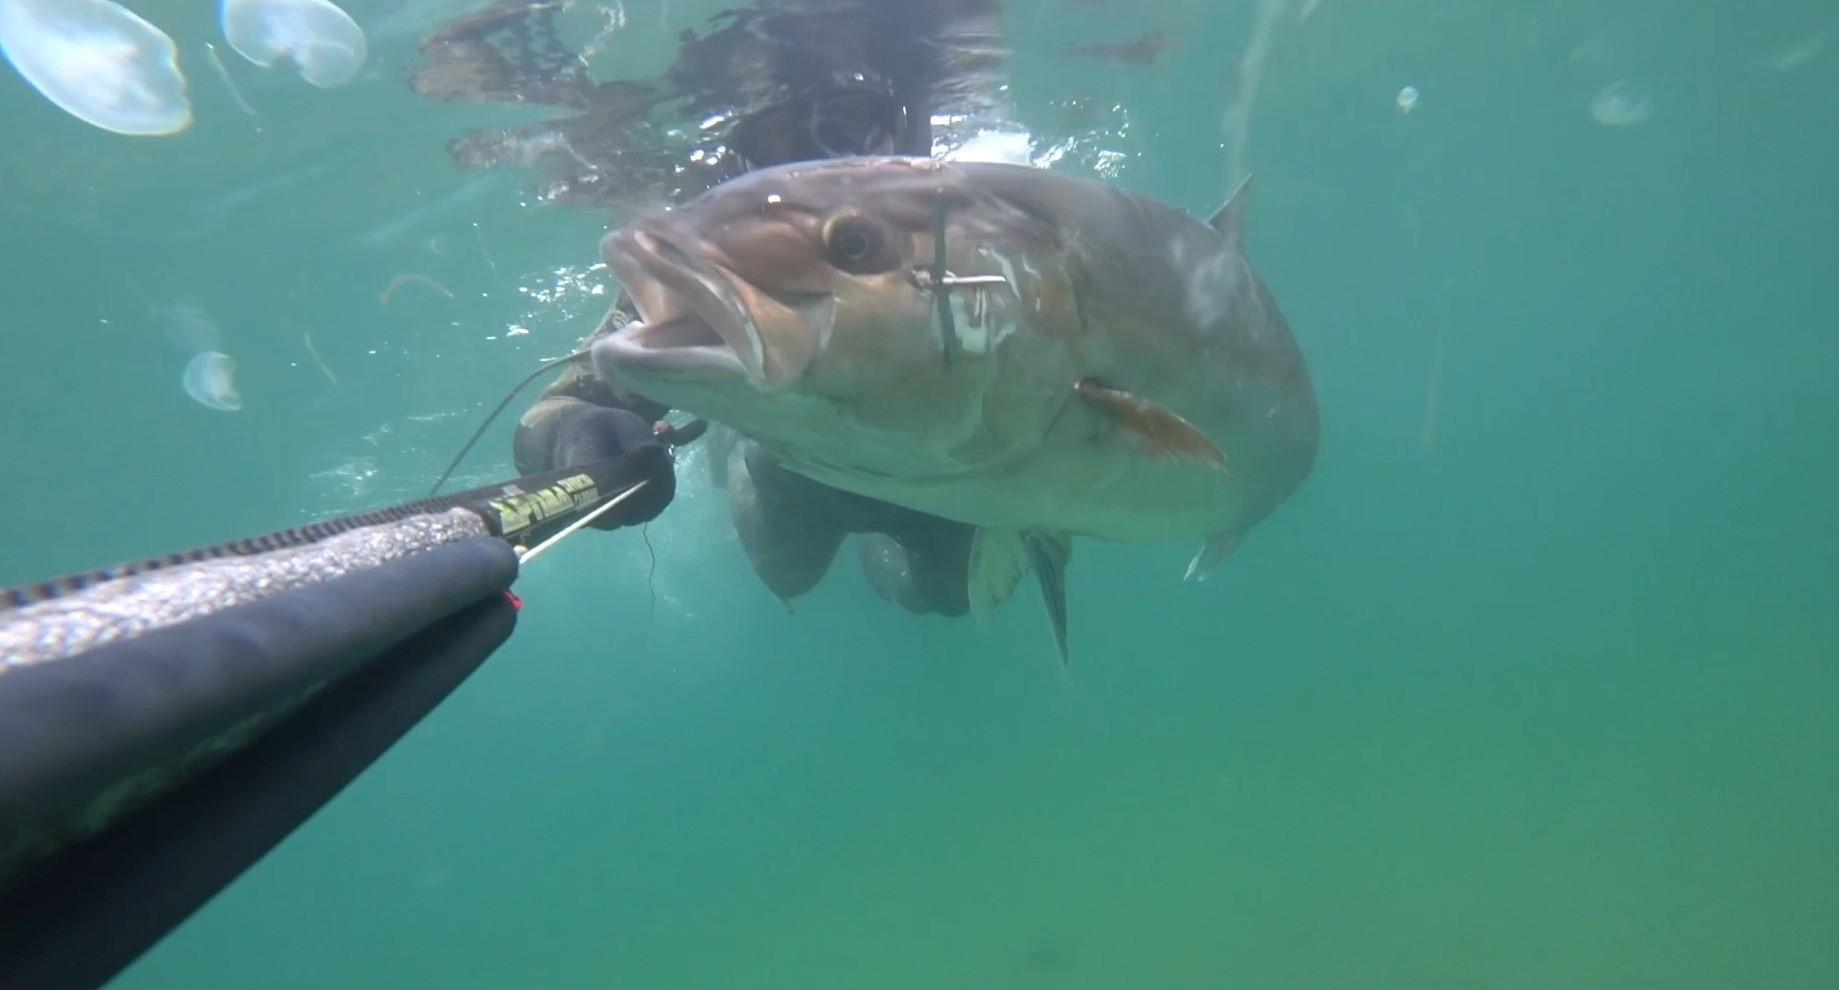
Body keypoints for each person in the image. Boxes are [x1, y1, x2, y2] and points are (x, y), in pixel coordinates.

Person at [417, 0, 1010, 616]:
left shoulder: (996, 238)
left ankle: (876, 559)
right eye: (779, 146)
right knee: (790, 575)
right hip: (796, 482)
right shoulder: (725, 272)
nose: (827, 171)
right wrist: (582, 442)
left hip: (941, 487)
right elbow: (561, 408)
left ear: (916, 133)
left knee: (950, 597)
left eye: (855, 127)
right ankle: (735, 442)